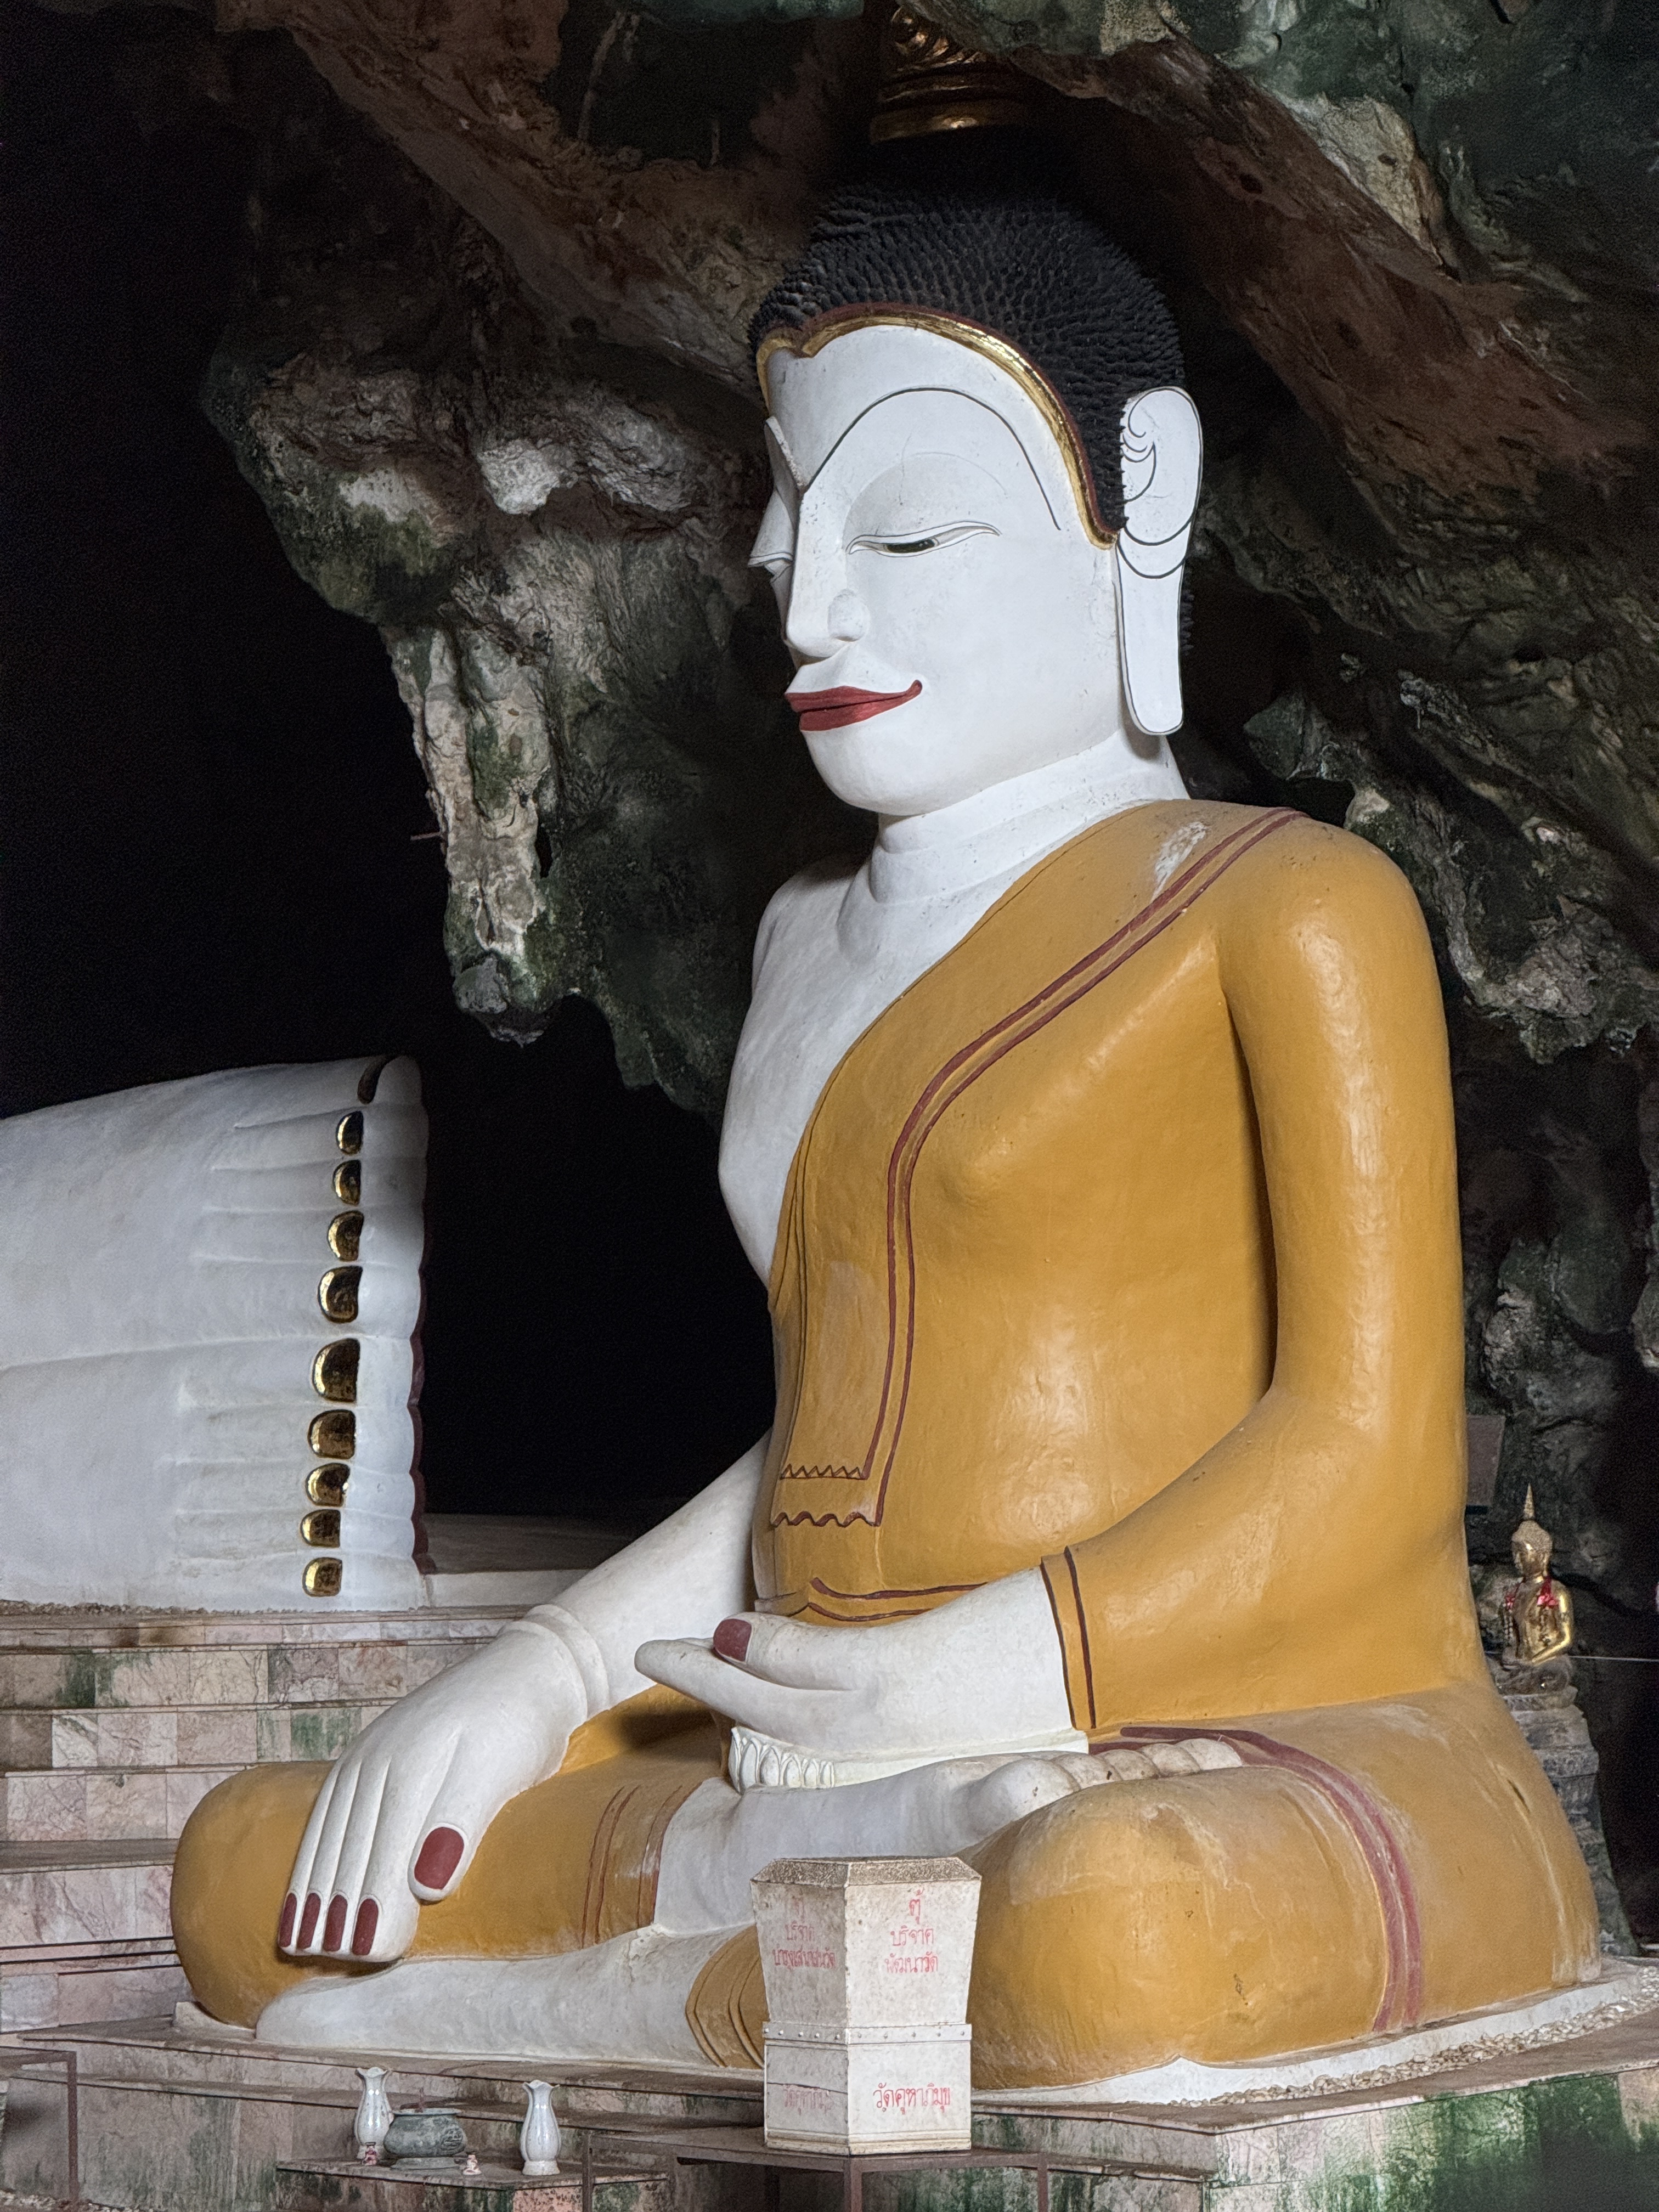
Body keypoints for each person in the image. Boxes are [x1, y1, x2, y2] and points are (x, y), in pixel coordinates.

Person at [172, 123, 1596, 2091]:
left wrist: (972, 1673)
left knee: (1113, 1929)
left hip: (1239, 1721)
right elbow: (824, 1443)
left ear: (1141, 499)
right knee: (256, 1872)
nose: (815, 613)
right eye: (792, 542)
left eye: (907, 536)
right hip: (816, 1737)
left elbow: (1362, 1452)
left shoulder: (1287, 905)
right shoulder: (801, 943)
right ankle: (778, 1972)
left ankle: (618, 2006)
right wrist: (544, 1676)